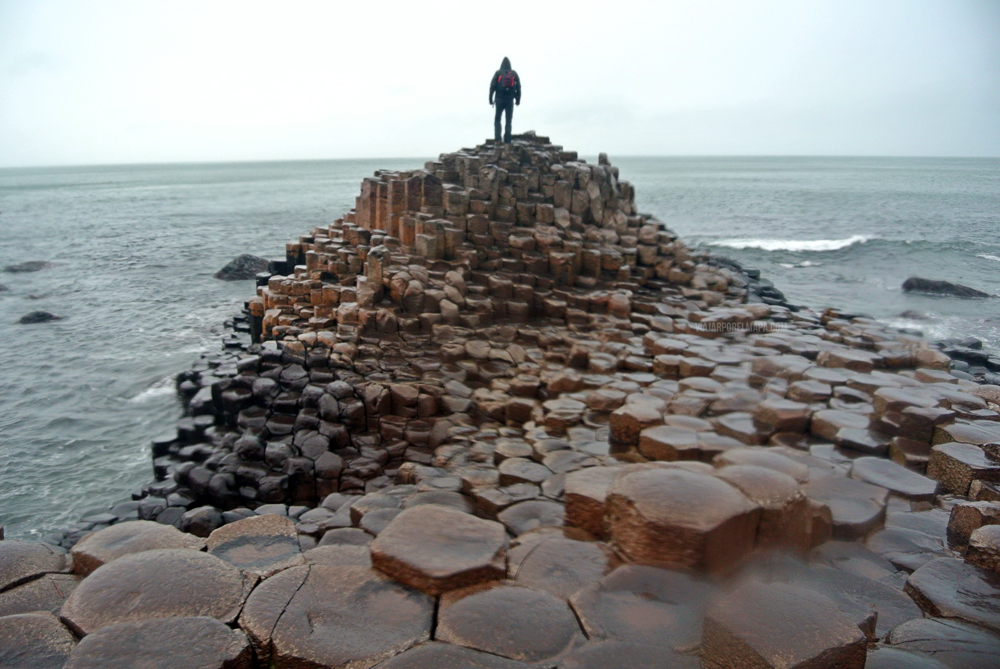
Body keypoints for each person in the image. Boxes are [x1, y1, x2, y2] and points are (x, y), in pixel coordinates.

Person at [489, 57, 521, 144]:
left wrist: (490, 99)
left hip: (499, 99)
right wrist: (518, 99)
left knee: (497, 119)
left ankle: (498, 139)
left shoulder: (498, 73)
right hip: (510, 100)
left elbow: (492, 86)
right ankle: (507, 139)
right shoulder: (514, 74)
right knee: (508, 120)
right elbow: (518, 87)